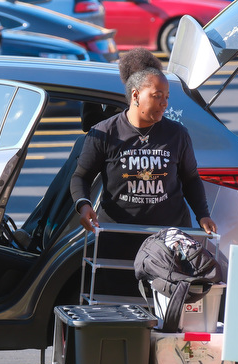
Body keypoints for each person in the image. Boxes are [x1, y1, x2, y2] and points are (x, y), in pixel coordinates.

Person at [70, 47, 217, 235]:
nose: (164, 103)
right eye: (157, 96)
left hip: (169, 236)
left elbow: (190, 178)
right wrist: (83, 204)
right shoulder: (104, 133)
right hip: (118, 233)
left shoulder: (177, 134)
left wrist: (202, 215)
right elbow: (81, 176)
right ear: (135, 95)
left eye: (166, 97)